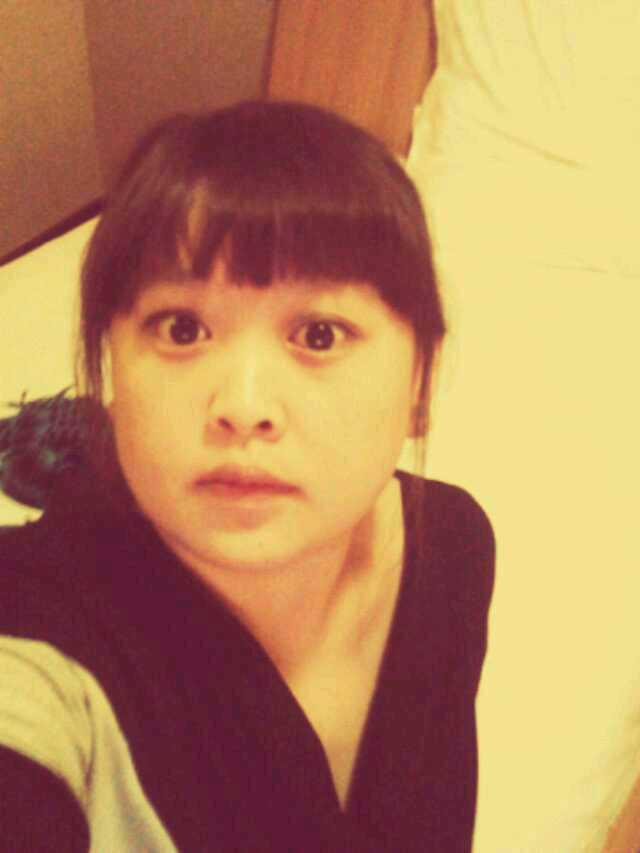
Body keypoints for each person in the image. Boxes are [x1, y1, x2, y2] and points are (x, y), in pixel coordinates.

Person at [0, 100, 494, 851]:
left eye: (319, 334)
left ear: (421, 382)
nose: (243, 407)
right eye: (182, 328)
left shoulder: (452, 546)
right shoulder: (41, 627)